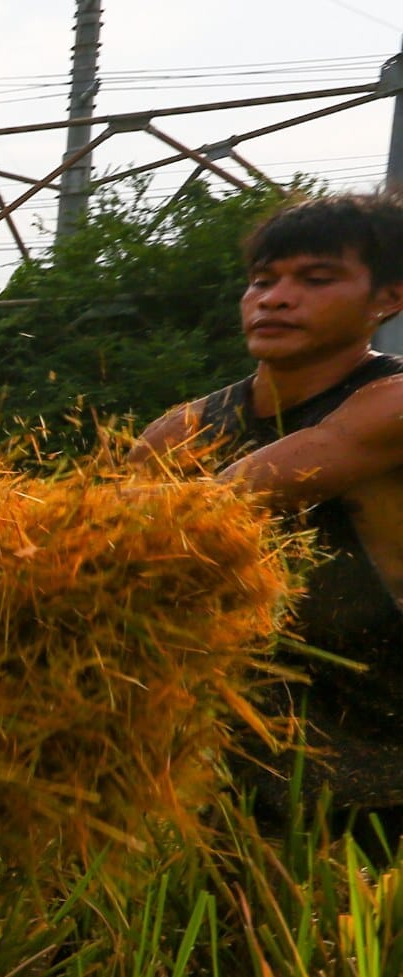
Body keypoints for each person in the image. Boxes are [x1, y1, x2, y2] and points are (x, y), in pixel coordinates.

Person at [130, 190, 403, 812]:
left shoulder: (391, 404)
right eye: (261, 281)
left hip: (389, 778)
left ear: (388, 298)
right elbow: (102, 541)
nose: (275, 298)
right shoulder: (181, 430)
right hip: (233, 779)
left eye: (315, 279)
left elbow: (223, 501)